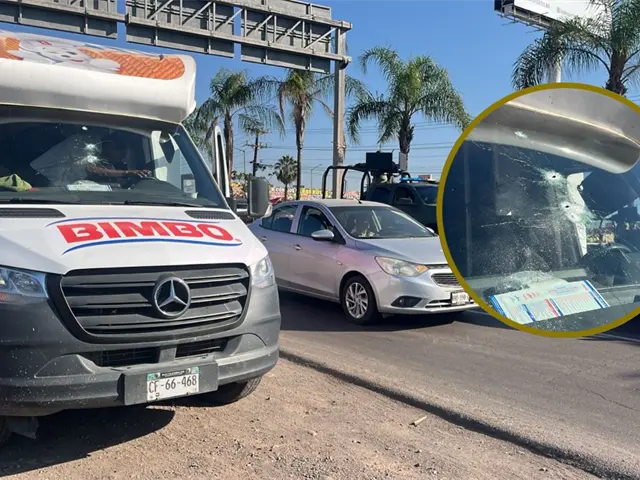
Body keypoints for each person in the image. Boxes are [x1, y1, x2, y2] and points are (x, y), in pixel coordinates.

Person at [86, 136, 151, 182]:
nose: (123, 157)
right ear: (108, 148)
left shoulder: (113, 165)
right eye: (121, 153)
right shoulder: (92, 160)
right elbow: (100, 171)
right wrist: (127, 173)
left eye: (124, 154)